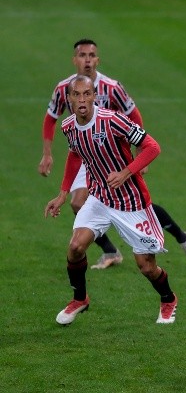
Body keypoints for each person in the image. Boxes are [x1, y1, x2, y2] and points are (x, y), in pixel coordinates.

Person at [38, 38, 186, 268]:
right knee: (78, 203)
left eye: (92, 55)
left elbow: (134, 115)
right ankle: (110, 251)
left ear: (98, 59)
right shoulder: (64, 88)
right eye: (82, 55)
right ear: (74, 60)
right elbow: (50, 118)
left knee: (133, 205)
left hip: (114, 157)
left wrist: (137, 155)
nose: (87, 60)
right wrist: (47, 154)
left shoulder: (112, 87)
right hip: (85, 153)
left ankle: (182, 237)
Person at [45, 75, 178, 325]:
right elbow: (75, 154)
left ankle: (168, 299)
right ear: (69, 98)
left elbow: (152, 147)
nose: (82, 99)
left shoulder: (113, 120)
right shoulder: (69, 126)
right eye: (77, 95)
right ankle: (80, 299)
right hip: (99, 198)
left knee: (147, 267)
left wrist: (126, 172)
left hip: (131, 202)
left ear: (95, 96)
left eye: (87, 94)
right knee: (75, 248)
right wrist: (63, 193)